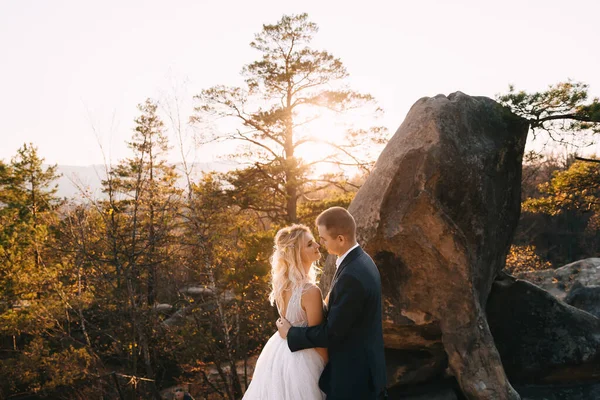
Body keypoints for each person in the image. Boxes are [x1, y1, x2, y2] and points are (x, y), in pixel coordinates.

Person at [277, 207, 387, 400]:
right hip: (364, 365)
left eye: (323, 239)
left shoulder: (351, 275)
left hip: (355, 377)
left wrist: (291, 333)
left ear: (341, 239)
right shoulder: (361, 261)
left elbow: (331, 333)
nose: (320, 243)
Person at [243, 224, 327, 399]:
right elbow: (318, 340)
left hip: (280, 353)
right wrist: (328, 367)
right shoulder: (310, 291)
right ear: (296, 254)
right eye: (310, 244)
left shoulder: (282, 286)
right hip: (305, 361)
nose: (317, 245)